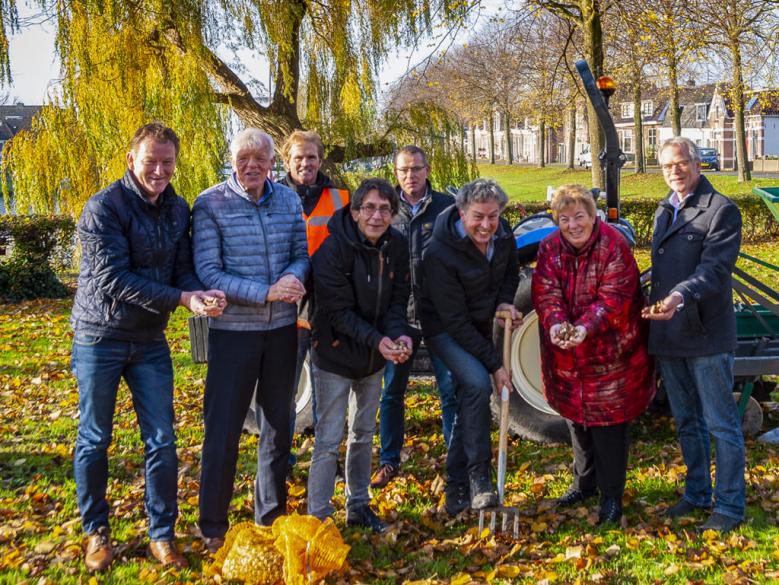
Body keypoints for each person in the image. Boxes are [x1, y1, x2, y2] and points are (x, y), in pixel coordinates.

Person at [70, 122, 226, 572]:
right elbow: (111, 279)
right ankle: (96, 532)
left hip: (150, 340)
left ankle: (161, 534)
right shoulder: (104, 207)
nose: (159, 170)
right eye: (150, 161)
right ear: (131, 160)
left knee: (162, 440)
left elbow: (182, 269)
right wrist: (182, 298)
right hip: (100, 335)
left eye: (167, 162)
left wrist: (200, 294)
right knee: (95, 437)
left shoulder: (177, 208)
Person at [192, 128, 309, 552]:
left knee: (279, 426)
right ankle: (212, 525)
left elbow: (301, 251)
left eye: (260, 158)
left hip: (281, 332)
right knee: (222, 429)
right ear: (233, 160)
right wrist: (265, 292)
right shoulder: (210, 203)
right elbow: (209, 271)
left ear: (272, 162)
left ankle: (269, 515)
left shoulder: (288, 199)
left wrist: (296, 275)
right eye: (244, 158)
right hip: (233, 335)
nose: (252, 165)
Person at [531, 184, 655, 525]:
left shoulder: (613, 246)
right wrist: (556, 324)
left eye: (579, 216)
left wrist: (584, 328)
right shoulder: (549, 248)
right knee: (577, 421)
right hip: (566, 356)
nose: (573, 224)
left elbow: (614, 297)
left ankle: (611, 497)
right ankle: (584, 484)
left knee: (609, 426)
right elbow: (545, 292)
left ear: (593, 215)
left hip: (612, 353)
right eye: (565, 218)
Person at [642, 137, 745, 534]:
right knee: (687, 422)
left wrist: (680, 295)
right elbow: (663, 268)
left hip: (705, 333)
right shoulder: (663, 210)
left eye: (681, 163)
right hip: (669, 334)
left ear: (698, 164)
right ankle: (698, 493)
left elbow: (715, 270)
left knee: (721, 425)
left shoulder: (721, 210)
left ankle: (730, 507)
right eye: (667, 166)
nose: (674, 171)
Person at [307, 178, 413, 533]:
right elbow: (337, 312)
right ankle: (319, 516)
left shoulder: (397, 245)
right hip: (335, 354)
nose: (376, 215)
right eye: (369, 207)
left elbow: (398, 299)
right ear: (354, 212)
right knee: (328, 438)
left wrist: (397, 334)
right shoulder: (332, 250)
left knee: (364, 433)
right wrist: (379, 340)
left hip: (373, 358)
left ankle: (358, 505)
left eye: (385, 208)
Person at [243, 130, 350, 459]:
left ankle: (326, 453)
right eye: (298, 157)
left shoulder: (342, 198)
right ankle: (279, 453)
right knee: (282, 384)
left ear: (320, 159)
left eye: (312, 157)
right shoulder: (269, 197)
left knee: (328, 387)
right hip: (286, 302)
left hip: (329, 304)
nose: (306, 163)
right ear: (285, 161)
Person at [420, 178, 521, 515]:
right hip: (445, 329)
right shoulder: (439, 252)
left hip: (477, 325)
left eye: (493, 216)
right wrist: (494, 365)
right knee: (477, 385)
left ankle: (456, 486)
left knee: (470, 399)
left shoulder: (503, 236)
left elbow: (510, 272)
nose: (486, 225)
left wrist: (506, 301)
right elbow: (454, 321)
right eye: (478, 217)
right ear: (462, 212)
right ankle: (479, 478)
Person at [371, 145, 456, 490]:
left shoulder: (446, 208)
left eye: (416, 169)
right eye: (404, 170)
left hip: (439, 314)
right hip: (397, 315)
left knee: (449, 388)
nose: (411, 176)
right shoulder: (384, 210)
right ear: (396, 172)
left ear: (427, 168)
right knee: (392, 389)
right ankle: (389, 459)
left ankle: (456, 458)